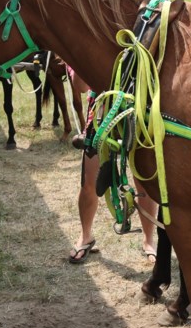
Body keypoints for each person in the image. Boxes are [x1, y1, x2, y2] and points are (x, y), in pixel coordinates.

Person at [67, 70, 158, 265]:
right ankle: (85, 236)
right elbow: (81, 86)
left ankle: (149, 241)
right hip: (100, 113)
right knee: (88, 182)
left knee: (144, 182)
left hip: (136, 109)